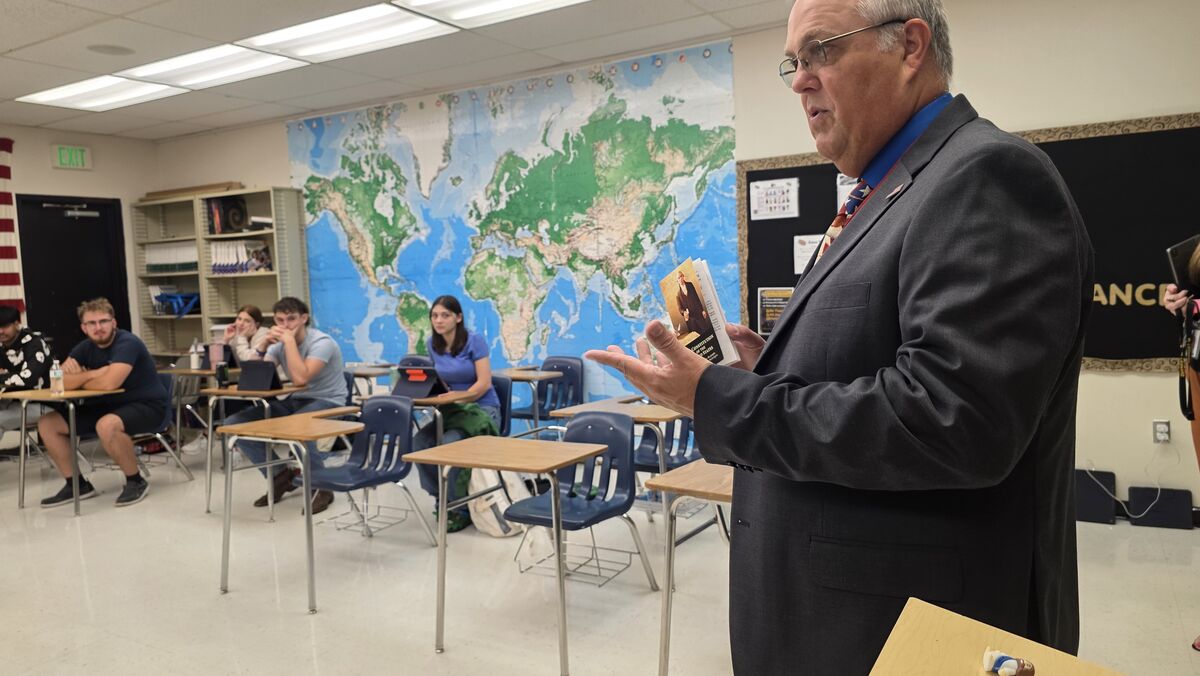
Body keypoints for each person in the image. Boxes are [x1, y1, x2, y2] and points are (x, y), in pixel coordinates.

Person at [587, 0, 1093, 672]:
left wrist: (720, 399)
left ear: (911, 46)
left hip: (906, 632)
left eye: (821, 50)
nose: (799, 80)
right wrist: (769, 368)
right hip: (835, 621)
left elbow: (953, 420)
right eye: (792, 62)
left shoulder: (983, 177)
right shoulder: (886, 191)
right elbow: (882, 363)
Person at [38, 298, 169, 508]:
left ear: (114, 323)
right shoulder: (84, 348)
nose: (98, 328)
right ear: (83, 327)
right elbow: (58, 382)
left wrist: (81, 377)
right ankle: (76, 485)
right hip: (107, 407)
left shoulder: (128, 343)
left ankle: (135, 481)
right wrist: (95, 373)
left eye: (103, 321)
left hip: (147, 405)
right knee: (48, 424)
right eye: (92, 323)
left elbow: (110, 383)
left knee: (106, 425)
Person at [224, 297, 347, 515]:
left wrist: (289, 343)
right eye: (280, 320)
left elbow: (301, 378)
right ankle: (281, 476)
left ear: (304, 318)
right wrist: (262, 345)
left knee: (298, 427)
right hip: (296, 400)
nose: (285, 325)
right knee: (235, 424)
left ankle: (321, 488)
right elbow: (255, 377)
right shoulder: (278, 345)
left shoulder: (322, 343)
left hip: (329, 401)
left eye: (291, 319)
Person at [412, 295, 501, 532]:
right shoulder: (433, 344)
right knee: (421, 442)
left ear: (458, 317)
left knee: (450, 445)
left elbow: (482, 384)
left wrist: (457, 397)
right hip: (452, 411)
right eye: (434, 316)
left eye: (445, 315)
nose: (439, 320)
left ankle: (460, 507)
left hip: (482, 409)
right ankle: (442, 497)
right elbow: (440, 382)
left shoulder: (475, 341)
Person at [0, 305, 53, 443]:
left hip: (43, 404)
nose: (0, 331)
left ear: (17, 324)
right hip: (13, 403)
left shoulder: (34, 343)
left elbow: (28, 378)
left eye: (5, 326)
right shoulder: (2, 346)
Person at [674, 270, 712, 337]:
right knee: (697, 336)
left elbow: (696, 298)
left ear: (683, 276)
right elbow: (680, 309)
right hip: (691, 319)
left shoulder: (690, 285)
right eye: (678, 278)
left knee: (706, 332)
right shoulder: (678, 294)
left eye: (681, 276)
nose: (680, 279)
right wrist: (684, 312)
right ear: (677, 281)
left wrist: (702, 310)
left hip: (698, 313)